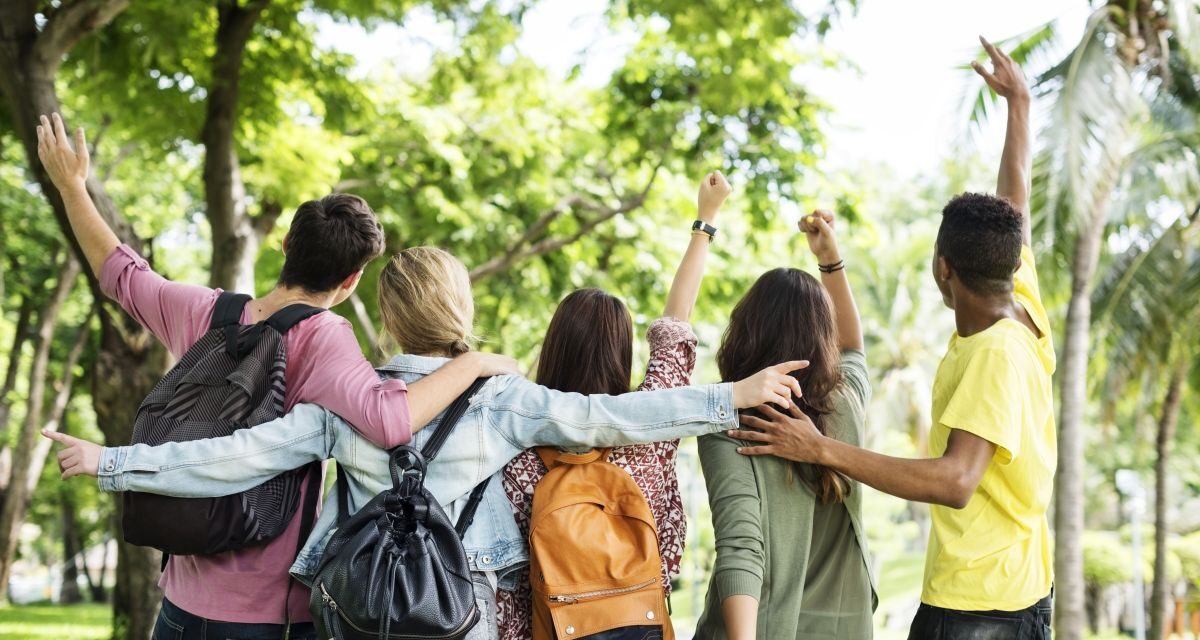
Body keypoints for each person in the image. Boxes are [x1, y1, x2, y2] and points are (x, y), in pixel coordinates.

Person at [46, 245, 808, 640]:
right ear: (463, 306)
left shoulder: (344, 402)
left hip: (356, 610)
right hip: (462, 613)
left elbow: (230, 457)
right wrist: (729, 397)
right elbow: (614, 418)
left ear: (387, 313)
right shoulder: (502, 397)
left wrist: (111, 461)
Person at [35, 113, 517, 639]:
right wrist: (474, 362)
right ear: (352, 281)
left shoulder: (204, 313)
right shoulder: (324, 337)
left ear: (285, 246)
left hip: (178, 602)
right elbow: (390, 419)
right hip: (265, 614)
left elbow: (122, 275)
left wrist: (72, 186)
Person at [729, 38, 1055, 638]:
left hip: (980, 607)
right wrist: (1019, 106)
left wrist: (820, 448)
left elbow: (956, 481)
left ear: (943, 268)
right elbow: (1015, 202)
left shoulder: (994, 356)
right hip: (1013, 588)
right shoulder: (1018, 297)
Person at [496, 171, 732, 638]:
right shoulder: (650, 429)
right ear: (620, 353)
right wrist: (705, 221)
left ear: (554, 347)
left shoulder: (514, 442)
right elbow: (674, 327)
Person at [693, 208, 876, 639]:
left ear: (746, 330)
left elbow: (741, 549)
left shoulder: (729, 422)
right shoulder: (845, 402)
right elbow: (853, 347)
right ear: (821, 335)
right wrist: (831, 261)